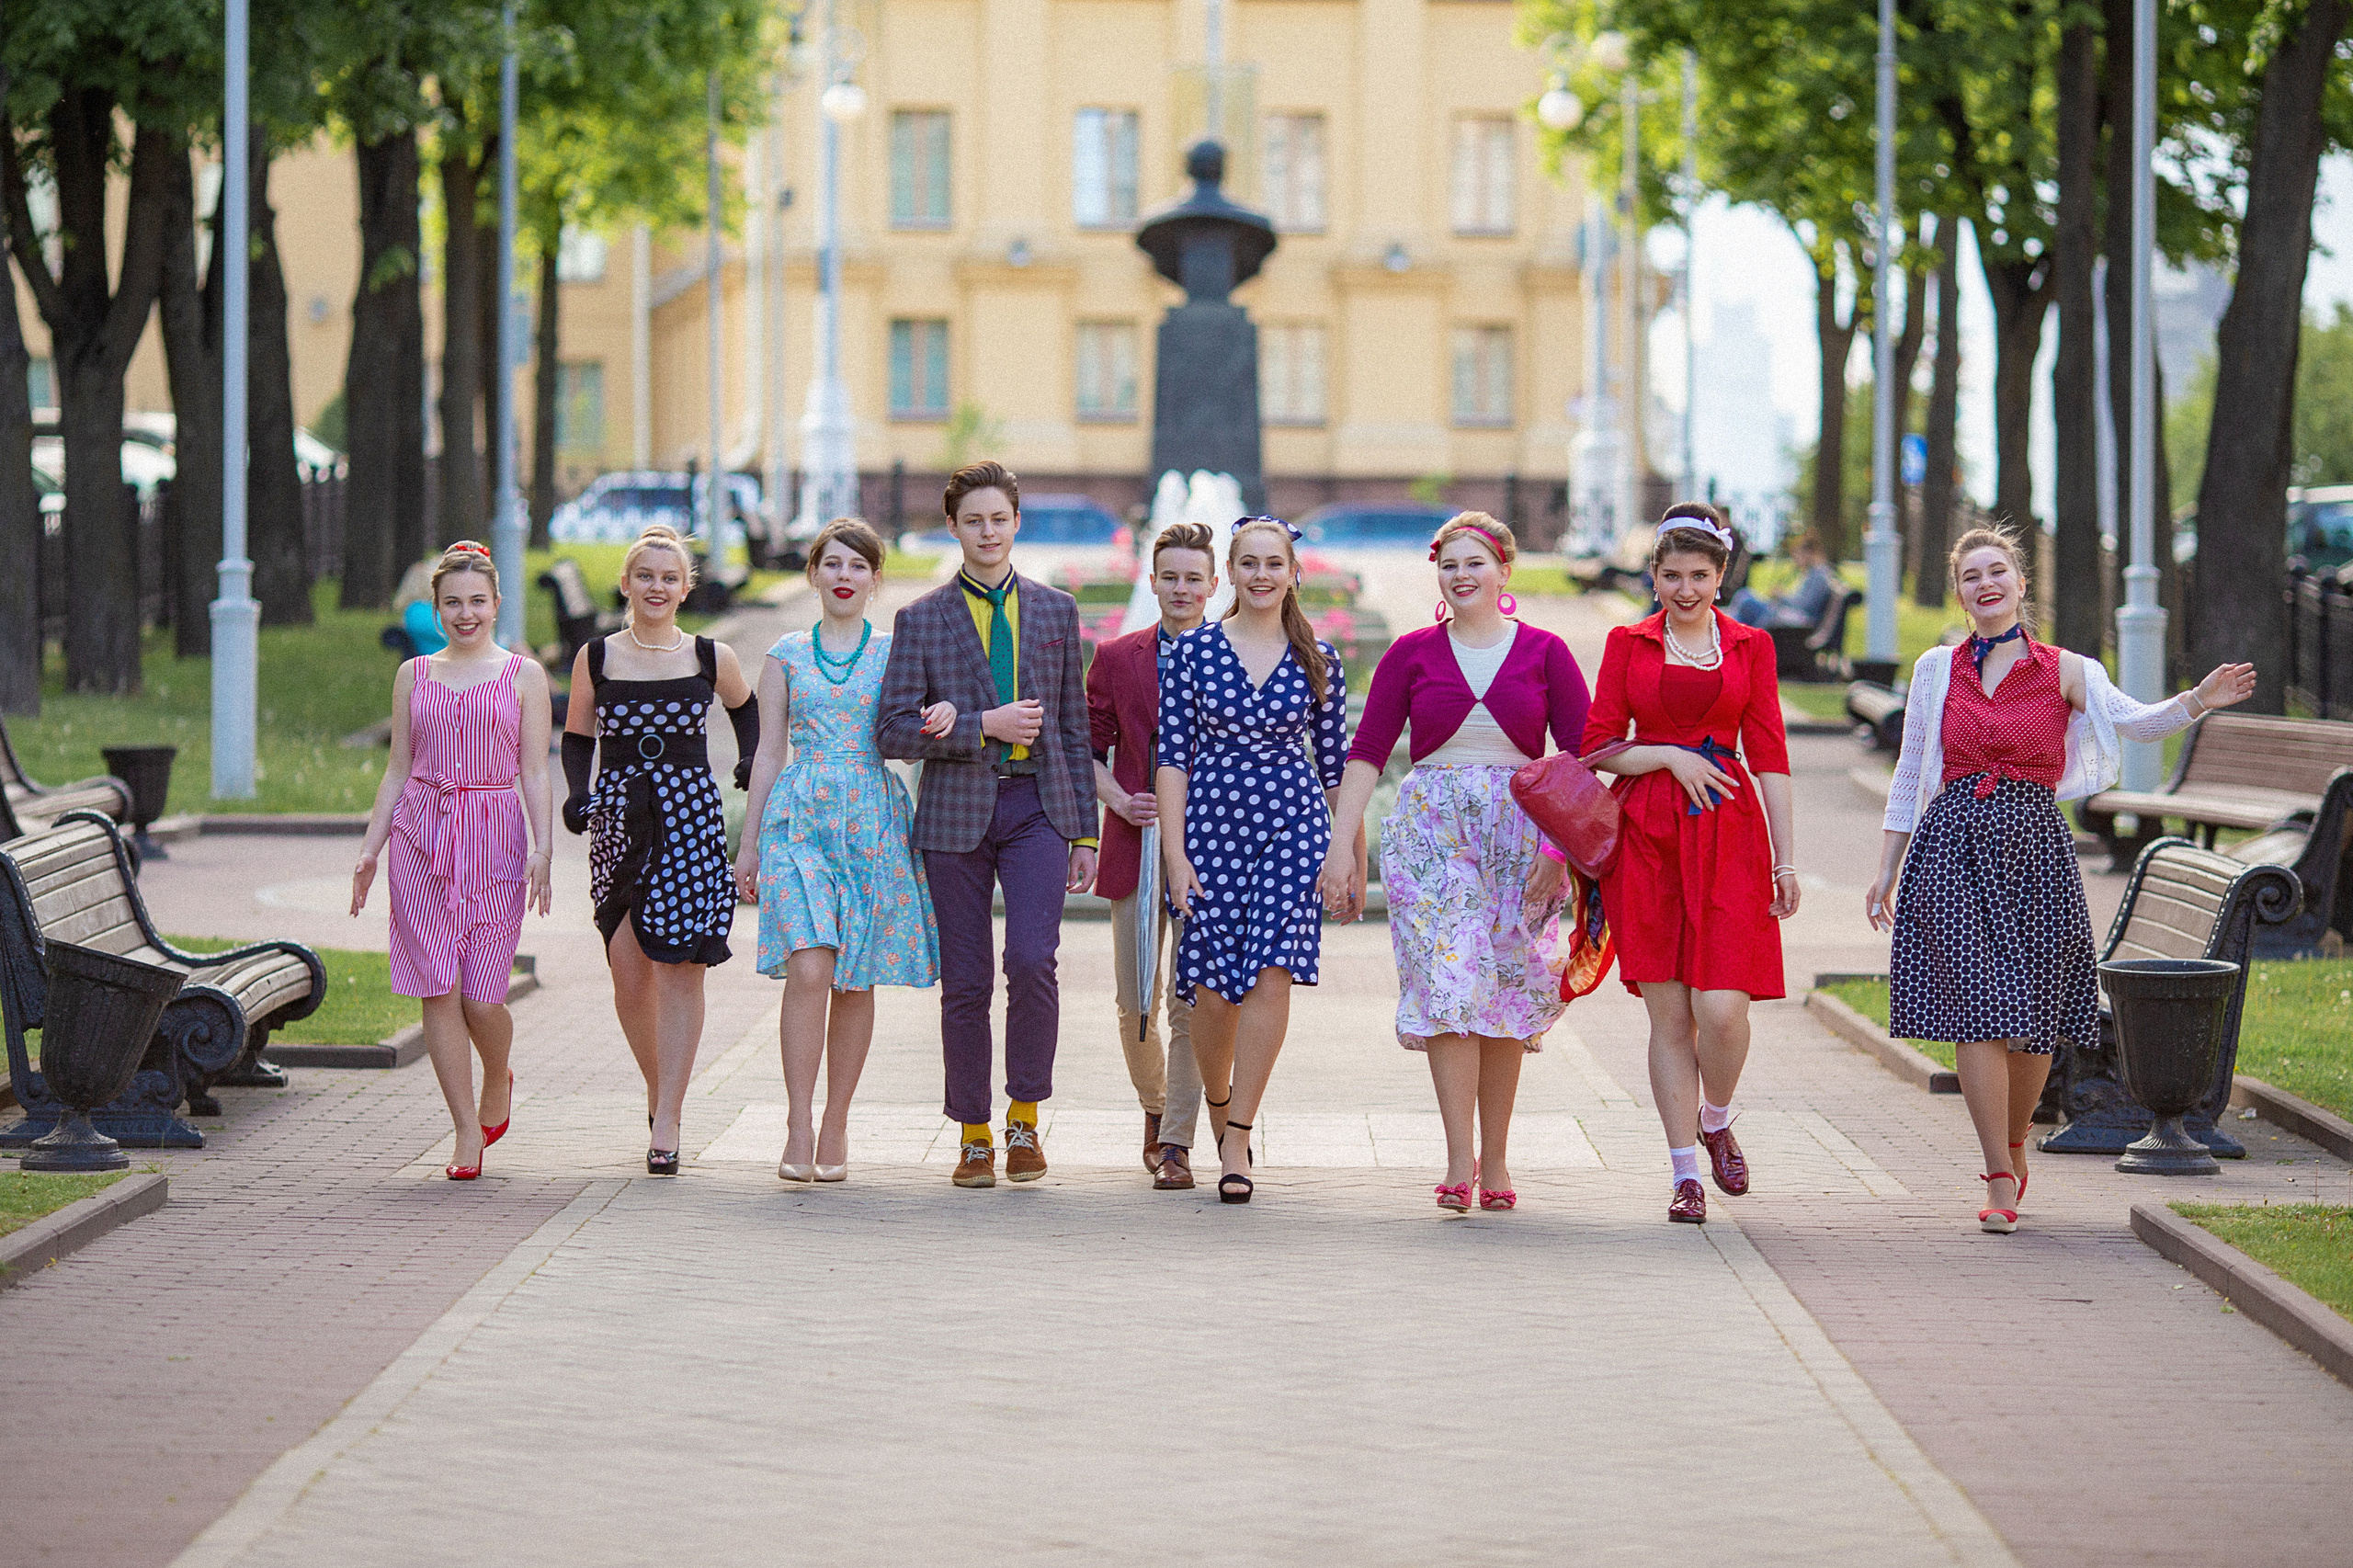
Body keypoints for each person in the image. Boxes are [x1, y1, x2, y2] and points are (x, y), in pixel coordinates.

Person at [1866, 527, 2256, 1233]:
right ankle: (1995, 1172)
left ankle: (2016, 1140)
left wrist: (2197, 699)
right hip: (1952, 845)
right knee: (1976, 1011)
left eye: (1998, 571)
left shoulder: (2067, 669)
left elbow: (2136, 724)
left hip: (2035, 850)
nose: (1986, 584)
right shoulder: (1935, 669)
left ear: (2020, 584)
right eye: (1971, 576)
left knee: (2035, 1023)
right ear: (1959, 594)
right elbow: (1910, 769)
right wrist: (1886, 868)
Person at [1324, 512, 1591, 1213]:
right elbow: (1366, 754)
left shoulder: (1545, 652)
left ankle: (1497, 1158)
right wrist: (1341, 848)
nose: (1462, 575)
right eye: (1449, 564)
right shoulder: (1412, 653)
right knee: (1450, 982)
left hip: (1523, 833)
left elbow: (1582, 755)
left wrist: (1559, 852)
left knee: (1504, 990)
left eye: (1475, 562)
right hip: (1431, 830)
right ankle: (1456, 1157)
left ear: (1505, 570)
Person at [874, 460, 1099, 1188]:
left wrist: (1085, 832)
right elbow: (892, 731)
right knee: (966, 982)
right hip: (954, 815)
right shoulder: (922, 618)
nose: (987, 532)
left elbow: (1071, 727)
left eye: (999, 519)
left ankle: (1025, 1121)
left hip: (1037, 808)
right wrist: (979, 725)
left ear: (1016, 523)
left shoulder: (1057, 612)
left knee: (1033, 962)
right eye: (973, 521)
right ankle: (974, 1135)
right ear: (953, 529)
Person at [1581, 503, 1798, 1225]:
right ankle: (1684, 1176)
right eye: (1670, 575)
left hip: (1730, 833)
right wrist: (1671, 755)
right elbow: (1600, 745)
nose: (1684, 589)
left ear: (1721, 576)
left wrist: (1785, 861)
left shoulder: (1750, 648)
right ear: (1652, 576)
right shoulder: (1628, 643)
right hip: (1650, 835)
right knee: (1671, 1017)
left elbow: (1769, 752)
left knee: (1724, 1009)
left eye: (1698, 575)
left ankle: (1716, 1116)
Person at [1159, 516, 1359, 1204]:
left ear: (1293, 572)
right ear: (1232, 574)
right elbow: (1172, 761)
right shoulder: (1191, 653)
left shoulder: (1319, 658)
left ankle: (1239, 1134)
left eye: (1275, 563)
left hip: (1292, 826)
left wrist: (1350, 855)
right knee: (1213, 993)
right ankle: (1220, 1109)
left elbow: (1338, 769)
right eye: (1249, 563)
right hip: (1212, 829)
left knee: (1273, 974)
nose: (1263, 574)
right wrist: (1175, 854)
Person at [734, 518, 938, 1185]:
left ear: (875, 580)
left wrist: (939, 718)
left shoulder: (895, 651)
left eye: (858, 566)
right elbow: (766, 753)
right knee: (811, 967)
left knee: (854, 976)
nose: (844, 576)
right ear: (814, 575)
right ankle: (797, 1116)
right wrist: (749, 847)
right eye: (832, 564)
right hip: (799, 820)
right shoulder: (785, 655)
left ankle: (838, 1119)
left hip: (873, 820)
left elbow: (917, 724)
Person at [351, 541, 554, 1181]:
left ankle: (499, 1072)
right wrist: (369, 848)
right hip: (421, 838)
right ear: (435, 610)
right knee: (438, 986)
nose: (465, 614)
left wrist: (544, 847)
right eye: (452, 603)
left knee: (485, 996)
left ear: (496, 604)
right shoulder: (413, 675)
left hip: (495, 837)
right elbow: (397, 770)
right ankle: (466, 1129)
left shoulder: (524, 675)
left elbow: (534, 772)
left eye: (476, 602)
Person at [561, 523, 757, 1176]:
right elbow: (577, 733)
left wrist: (751, 761)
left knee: (680, 966)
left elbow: (747, 709)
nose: (656, 586)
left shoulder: (709, 655)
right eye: (645, 575)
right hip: (619, 819)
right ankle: (658, 1088)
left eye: (669, 577)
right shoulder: (596, 657)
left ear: (685, 588)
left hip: (689, 820)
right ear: (626, 582)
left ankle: (667, 1116)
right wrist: (573, 794)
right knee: (628, 967)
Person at [1086, 520, 1218, 1188]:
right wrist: (1116, 797)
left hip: (1211, 847)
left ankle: (1176, 1142)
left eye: (1194, 577)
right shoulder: (1116, 657)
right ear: (1152, 579)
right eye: (1170, 576)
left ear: (1212, 584)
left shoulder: (1232, 655)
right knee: (1136, 994)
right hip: (1135, 842)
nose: (1181, 588)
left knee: (1190, 998)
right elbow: (1082, 747)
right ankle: (1156, 1104)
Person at [1730, 532, 1840, 630]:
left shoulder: (1818, 575)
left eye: (1797, 555)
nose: (1795, 559)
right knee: (1744, 600)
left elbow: (1805, 605)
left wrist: (1781, 596)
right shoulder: (1812, 572)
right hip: (1790, 615)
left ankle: (1736, 641)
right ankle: (1738, 641)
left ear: (1808, 553)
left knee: (1744, 599)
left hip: (1797, 621)